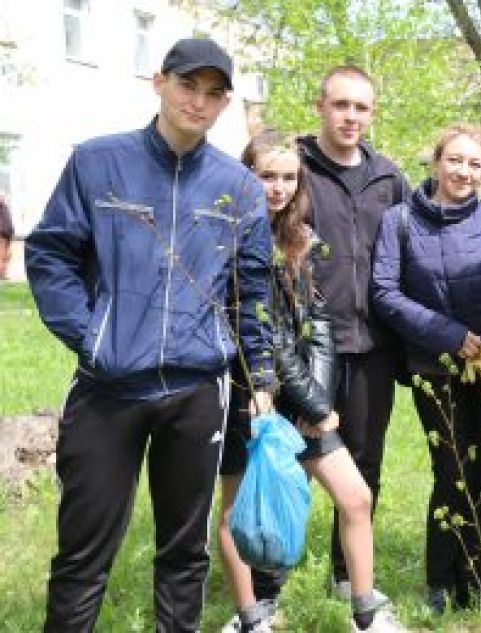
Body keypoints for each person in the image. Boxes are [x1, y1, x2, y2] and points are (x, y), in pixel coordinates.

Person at [25, 38, 275, 631]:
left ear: (224, 104)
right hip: (108, 390)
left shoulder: (237, 187)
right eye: (189, 85)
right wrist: (93, 338)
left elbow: (252, 289)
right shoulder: (96, 162)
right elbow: (51, 254)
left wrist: (260, 377)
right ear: (158, 82)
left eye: (214, 94)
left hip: (196, 393)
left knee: (186, 555)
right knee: (83, 553)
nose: (199, 101)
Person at [217, 131, 404, 633]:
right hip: (247, 396)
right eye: (266, 176)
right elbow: (262, 332)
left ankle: (365, 612)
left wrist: (315, 401)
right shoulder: (231, 240)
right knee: (240, 509)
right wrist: (313, 402)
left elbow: (317, 324)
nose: (276, 188)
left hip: (300, 396)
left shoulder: (303, 239)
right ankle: (251, 617)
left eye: (287, 177)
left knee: (356, 497)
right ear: (246, 176)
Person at [371, 124, 481, 614]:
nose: (464, 171)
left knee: (479, 471)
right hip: (434, 365)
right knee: (450, 469)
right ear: (436, 161)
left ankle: (475, 579)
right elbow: (385, 294)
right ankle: (439, 581)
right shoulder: (399, 221)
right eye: (455, 160)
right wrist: (452, 338)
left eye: (475, 164)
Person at [296, 65, 411, 597]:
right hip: (301, 346)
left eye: (361, 107)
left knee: (364, 461)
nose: (351, 116)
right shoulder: (292, 167)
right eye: (341, 105)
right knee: (289, 458)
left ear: (373, 113)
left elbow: (428, 229)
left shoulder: (389, 178)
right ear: (320, 105)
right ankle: (270, 578)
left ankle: (347, 576)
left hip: (371, 347)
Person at [0, 193, 12, 279]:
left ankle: (3, 274)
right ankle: (2, 274)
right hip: (2, 234)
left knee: (7, 256)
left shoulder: (5, 208)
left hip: (7, 235)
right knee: (2, 255)